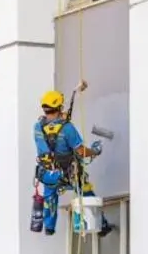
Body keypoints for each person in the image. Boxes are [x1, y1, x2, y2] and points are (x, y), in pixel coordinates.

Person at [32, 90, 114, 237]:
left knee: (50, 195)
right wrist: (95, 151)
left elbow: (50, 131)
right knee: (86, 192)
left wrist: (60, 118)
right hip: (70, 173)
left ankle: (49, 227)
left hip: (48, 173)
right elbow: (81, 151)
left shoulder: (37, 127)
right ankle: (101, 226)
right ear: (59, 108)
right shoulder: (67, 129)